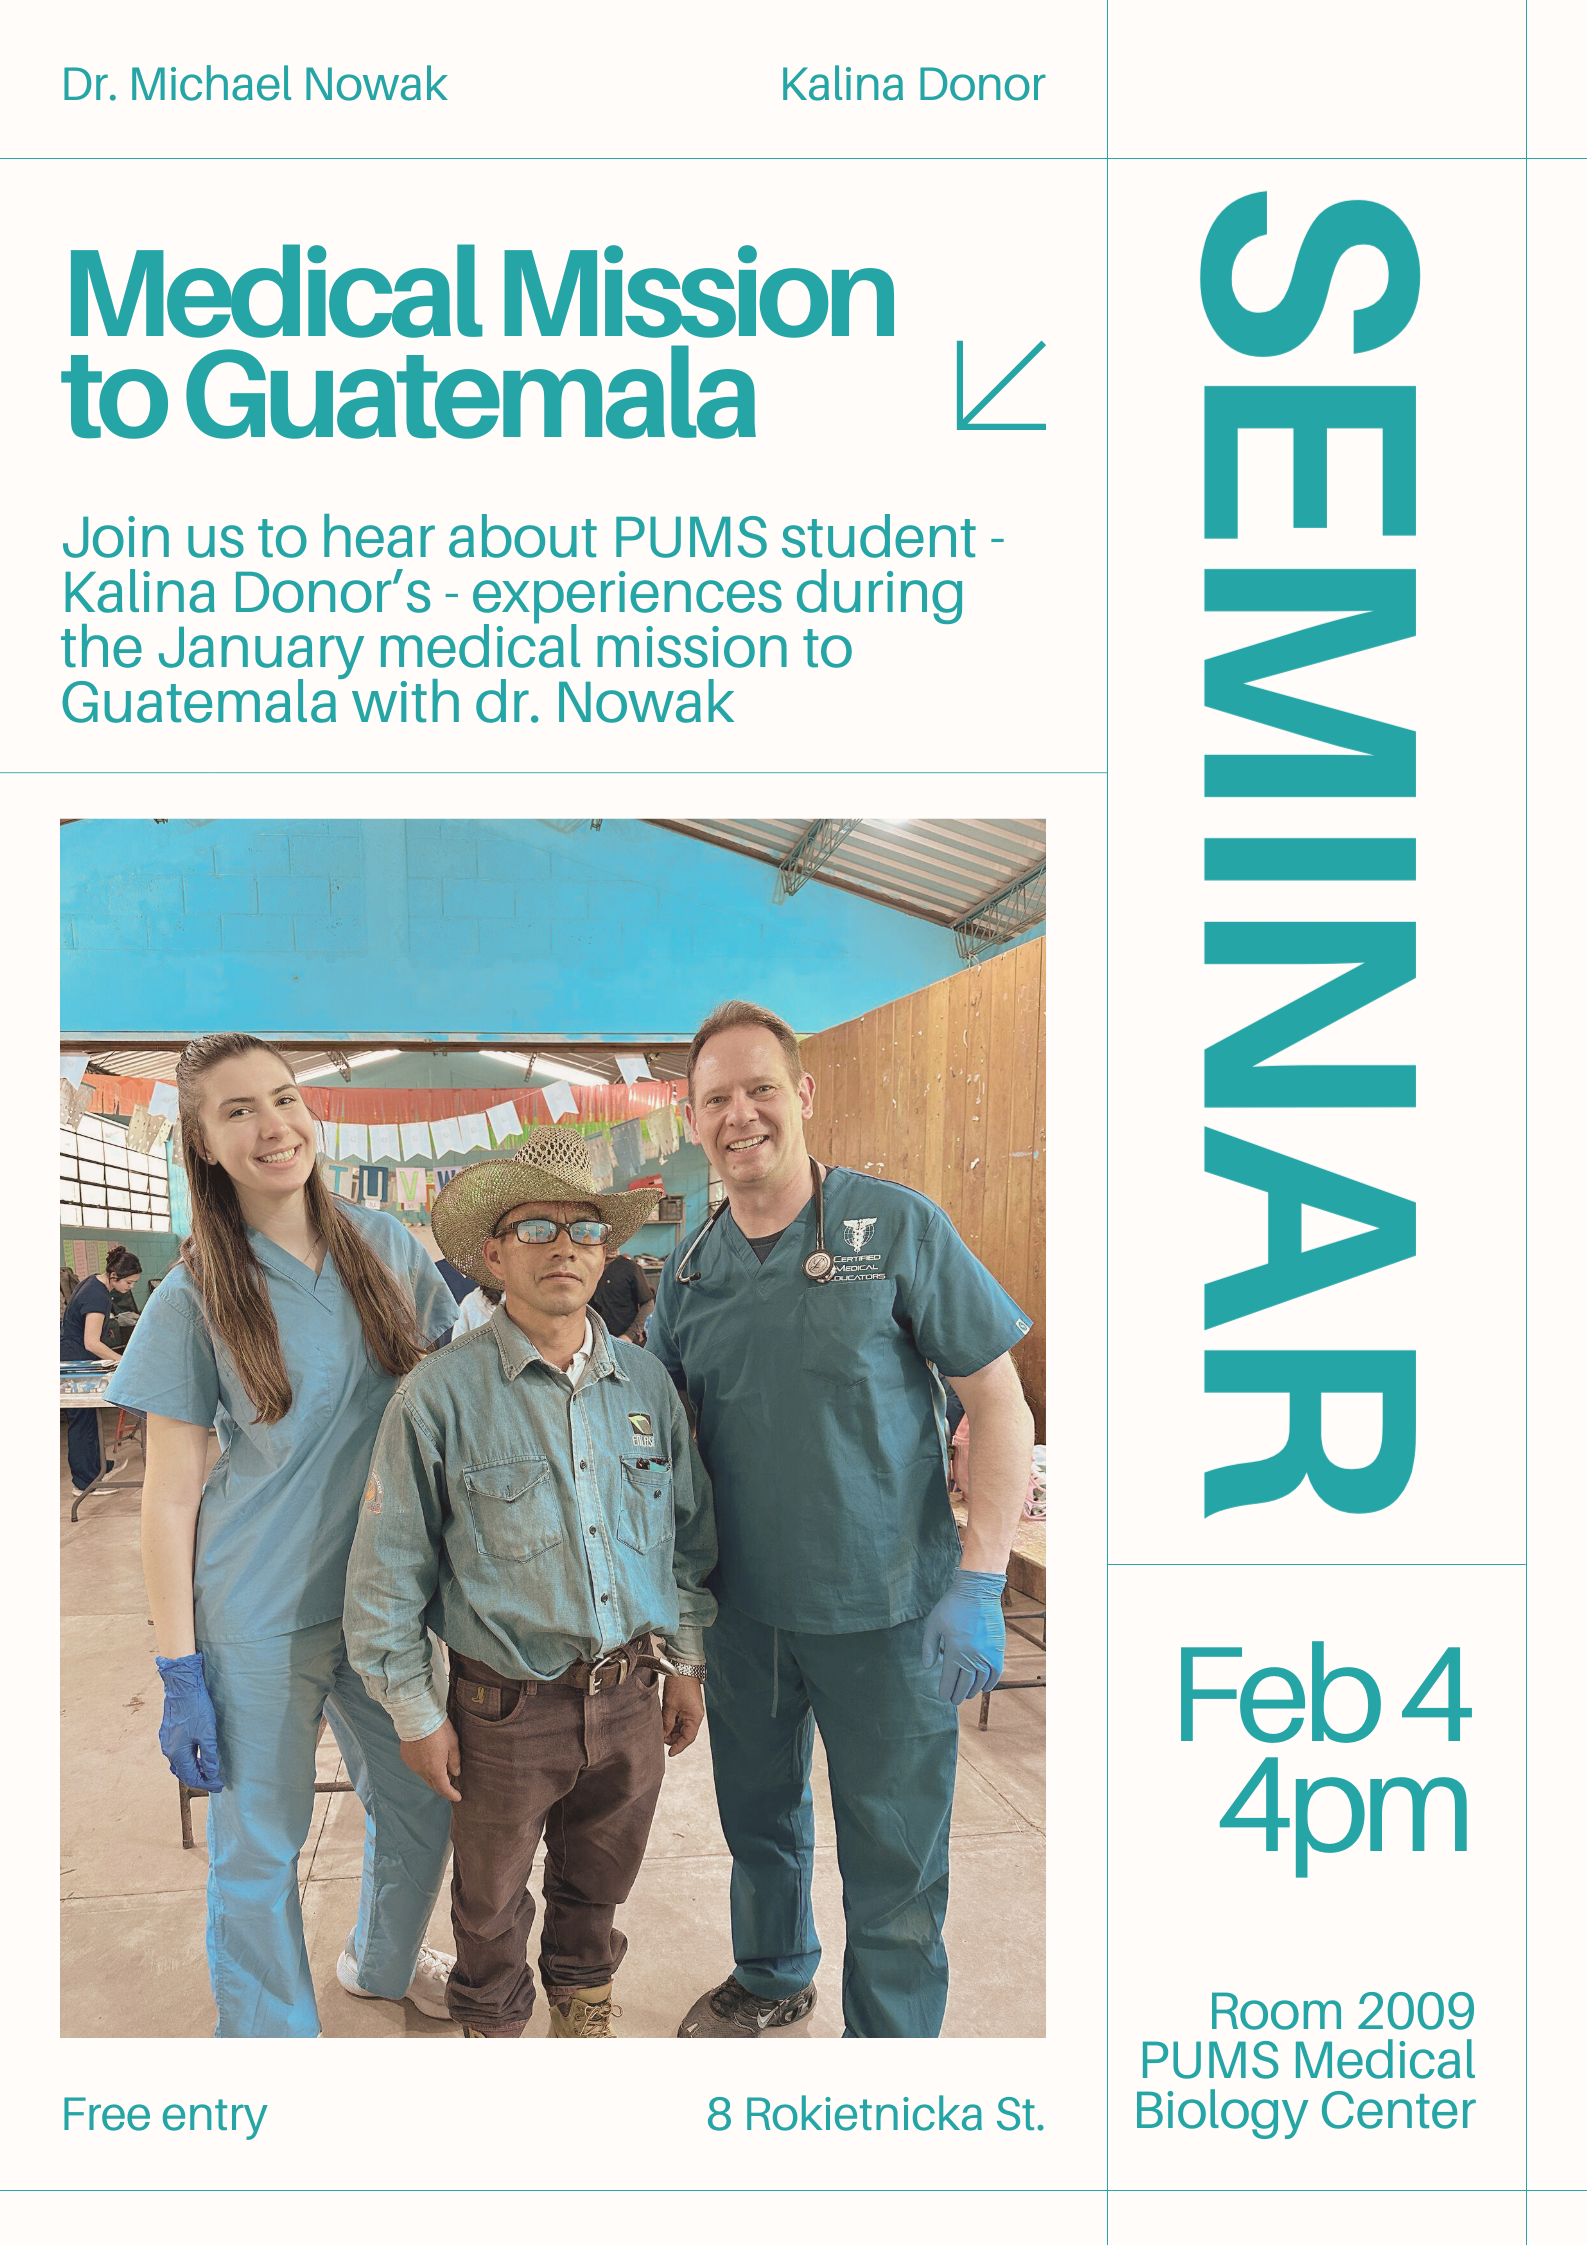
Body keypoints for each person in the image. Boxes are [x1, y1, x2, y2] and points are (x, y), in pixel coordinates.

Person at [647, 1000, 1036, 2040]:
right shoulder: (688, 1273)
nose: (741, 1115)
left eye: (760, 1088)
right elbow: (660, 1452)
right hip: (745, 1618)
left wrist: (983, 1576)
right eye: (716, 1098)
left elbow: (999, 1403)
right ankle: (773, 1973)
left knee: (895, 1851)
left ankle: (892, 2045)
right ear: (691, 1120)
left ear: (803, 1095)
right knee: (760, 1825)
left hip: (889, 1613)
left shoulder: (896, 1226)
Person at [107, 1034, 462, 2038]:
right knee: (260, 1843)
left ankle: (380, 1963)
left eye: (285, 1097)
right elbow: (169, 1496)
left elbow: (451, 1407)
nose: (274, 1126)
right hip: (258, 1609)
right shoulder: (191, 1298)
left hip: (387, 1603)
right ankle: (271, 2044)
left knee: (425, 1803)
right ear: (204, 1144)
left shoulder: (387, 1248)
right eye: (237, 1111)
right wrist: (177, 1666)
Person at [345, 1127, 715, 2039]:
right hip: (502, 1713)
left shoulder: (647, 1386)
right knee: (489, 1905)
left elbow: (685, 1541)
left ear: (608, 1250)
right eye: (537, 1226)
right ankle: (494, 2035)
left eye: (585, 1229)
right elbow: (385, 1580)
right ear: (494, 1254)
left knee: (598, 1887)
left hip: (629, 1695)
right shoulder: (438, 1397)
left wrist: (683, 1661)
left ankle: (581, 2016)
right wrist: (416, 1712)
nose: (565, 1246)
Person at [60, 1243, 142, 1493]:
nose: (130, 1288)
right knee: (83, 1421)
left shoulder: (93, 1282)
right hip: (76, 1362)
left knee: (89, 1419)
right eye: (129, 1283)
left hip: (76, 1356)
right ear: (115, 1276)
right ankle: (85, 1483)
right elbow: (91, 1342)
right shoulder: (97, 1296)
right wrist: (124, 1360)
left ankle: (97, 1468)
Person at [590, 1239, 650, 1341]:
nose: (614, 1246)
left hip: (625, 1341)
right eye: (609, 1242)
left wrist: (630, 1335)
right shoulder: (589, 1269)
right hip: (595, 1340)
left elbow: (648, 1303)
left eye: (617, 1241)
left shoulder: (631, 1268)